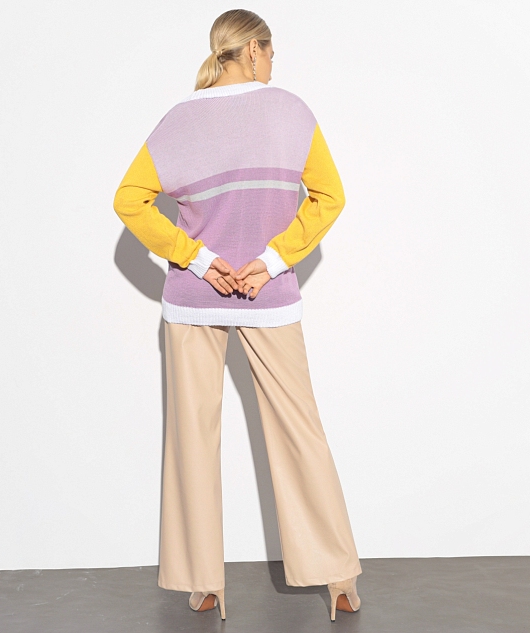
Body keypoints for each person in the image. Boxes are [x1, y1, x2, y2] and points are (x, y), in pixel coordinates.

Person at [113, 8, 362, 623]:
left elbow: (129, 201)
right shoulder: (292, 112)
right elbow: (330, 196)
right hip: (267, 295)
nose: (274, 63)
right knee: (301, 433)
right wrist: (273, 260)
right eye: (271, 52)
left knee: (191, 438)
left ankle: (203, 584)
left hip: (192, 298)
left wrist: (196, 259)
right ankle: (337, 579)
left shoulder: (177, 120)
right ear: (252, 50)